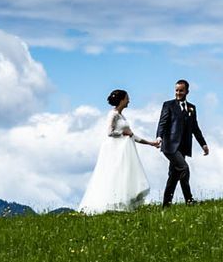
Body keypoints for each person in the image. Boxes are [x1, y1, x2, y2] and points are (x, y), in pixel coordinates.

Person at [78, 88, 159, 214]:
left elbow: (132, 135)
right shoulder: (113, 114)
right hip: (116, 151)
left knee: (125, 176)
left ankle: (124, 204)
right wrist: (123, 133)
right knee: (115, 175)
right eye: (127, 98)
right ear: (121, 100)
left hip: (125, 150)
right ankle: (111, 204)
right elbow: (109, 132)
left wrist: (150, 143)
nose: (129, 100)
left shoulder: (121, 116)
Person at [154, 77, 208, 206]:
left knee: (174, 175)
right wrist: (159, 137)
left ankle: (166, 205)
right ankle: (189, 200)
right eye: (176, 90)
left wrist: (203, 144)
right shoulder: (168, 105)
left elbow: (195, 128)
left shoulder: (192, 108)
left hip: (183, 147)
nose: (178, 93)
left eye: (181, 91)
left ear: (187, 92)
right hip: (170, 146)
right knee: (184, 168)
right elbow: (162, 122)